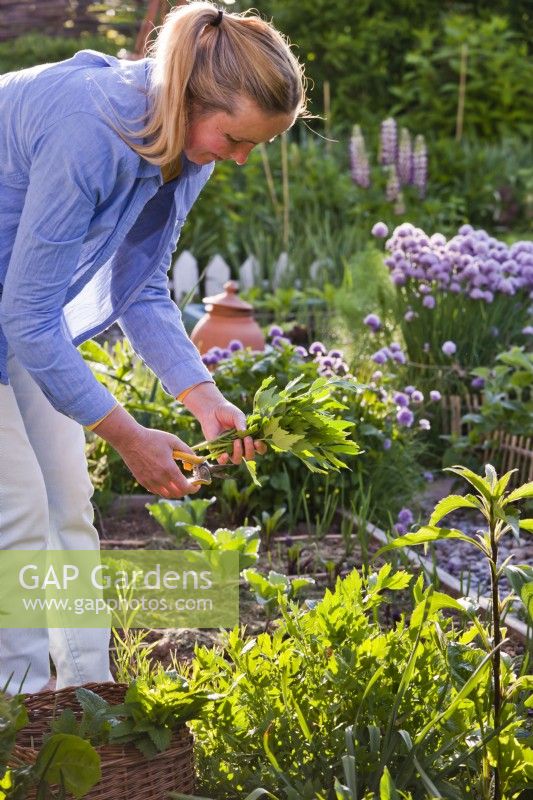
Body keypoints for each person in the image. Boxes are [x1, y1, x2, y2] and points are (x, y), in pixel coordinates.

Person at [0, 0, 308, 694]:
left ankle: (87, 697)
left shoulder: (185, 150)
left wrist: (202, 396)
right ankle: (14, 721)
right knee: (15, 513)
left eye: (253, 148)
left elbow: (137, 288)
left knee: (68, 504)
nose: (235, 158)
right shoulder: (90, 125)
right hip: (15, 314)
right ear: (193, 95)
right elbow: (26, 314)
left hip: (17, 316)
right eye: (235, 138)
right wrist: (126, 433)